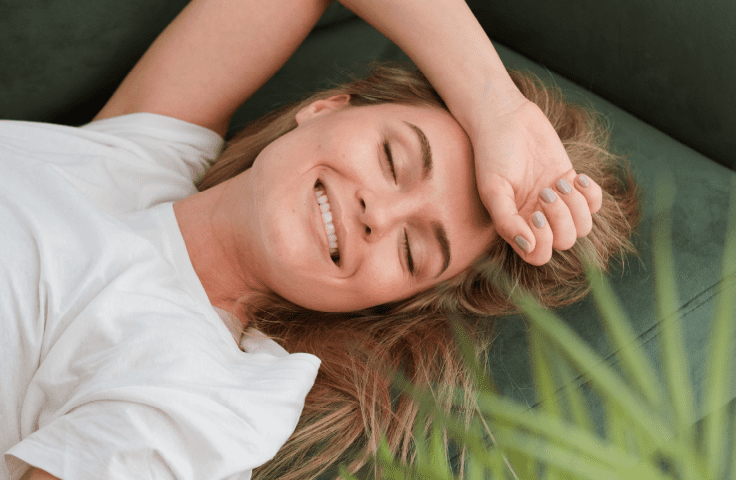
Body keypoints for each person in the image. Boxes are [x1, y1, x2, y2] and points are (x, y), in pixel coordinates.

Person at [0, 0, 639, 479]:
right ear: (328, 107)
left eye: (413, 251)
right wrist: (496, 107)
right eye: (394, 160)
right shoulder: (142, 151)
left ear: (378, 303)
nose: (378, 215)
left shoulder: (203, 393)